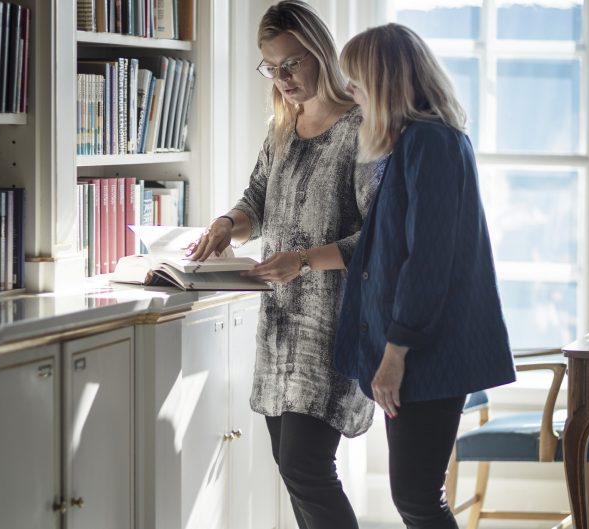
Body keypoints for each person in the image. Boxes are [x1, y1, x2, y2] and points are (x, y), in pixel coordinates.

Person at [187, 2, 377, 528]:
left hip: (334, 326)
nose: (282, 77)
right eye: (271, 66)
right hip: (279, 327)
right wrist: (229, 223)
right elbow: (257, 201)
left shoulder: (364, 130)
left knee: (306, 467)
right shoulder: (284, 127)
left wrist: (304, 261)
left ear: (321, 52)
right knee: (291, 467)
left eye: (292, 62)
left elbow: (380, 237)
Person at [334, 23, 517, 529]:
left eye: (357, 81)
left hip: (423, 354)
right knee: (415, 494)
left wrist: (395, 353)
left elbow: (428, 261)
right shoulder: (416, 144)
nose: (351, 93)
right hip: (418, 352)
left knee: (416, 496)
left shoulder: (430, 144)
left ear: (384, 82)